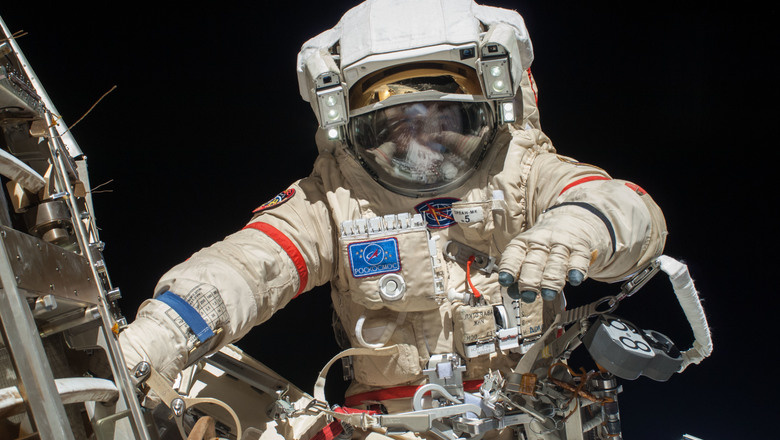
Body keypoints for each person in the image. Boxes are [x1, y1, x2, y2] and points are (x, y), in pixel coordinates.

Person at [119, 0, 667, 437]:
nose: (419, 140)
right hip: (388, 427)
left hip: (529, 417)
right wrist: (161, 333)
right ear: (353, 128)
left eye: (441, 115)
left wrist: (577, 228)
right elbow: (248, 266)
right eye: (394, 124)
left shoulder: (520, 170)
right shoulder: (335, 199)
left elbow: (625, 206)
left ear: (486, 106)